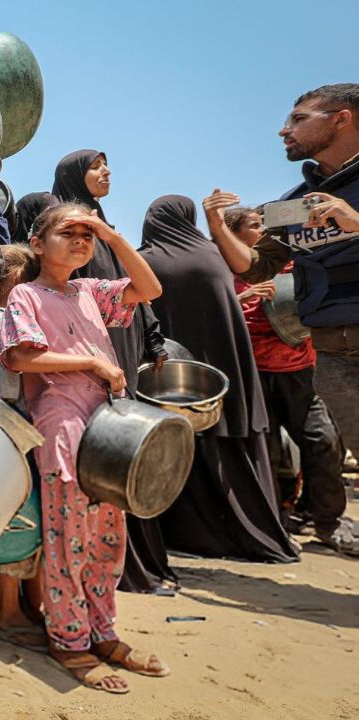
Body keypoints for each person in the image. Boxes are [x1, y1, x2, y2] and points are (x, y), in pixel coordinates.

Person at [0, 202, 168, 694]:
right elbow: (20, 358)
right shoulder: (26, 295)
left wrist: (112, 237)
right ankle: (70, 640)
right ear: (37, 243)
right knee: (68, 536)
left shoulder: (92, 291)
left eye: (86, 235)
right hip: (63, 421)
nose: (80, 241)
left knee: (107, 534)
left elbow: (150, 289)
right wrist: (91, 366)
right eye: (68, 232)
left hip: (107, 424)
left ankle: (104, 630)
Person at [205, 84, 359, 555]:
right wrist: (216, 226)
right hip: (333, 352)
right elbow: (255, 265)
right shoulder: (295, 202)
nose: (283, 130)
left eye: (297, 119)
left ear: (341, 119)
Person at [140, 196, 299, 563]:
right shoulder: (212, 255)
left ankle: (188, 536)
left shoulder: (146, 260)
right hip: (227, 376)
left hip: (173, 382)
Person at [50, 149, 174, 594]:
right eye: (96, 165)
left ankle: (125, 571)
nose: (107, 172)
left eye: (108, 164)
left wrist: (153, 336)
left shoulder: (101, 227)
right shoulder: (60, 224)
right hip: (76, 366)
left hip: (118, 345)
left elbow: (141, 292)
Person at [219, 206, 349, 551]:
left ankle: (326, 522)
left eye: (266, 225)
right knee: (269, 452)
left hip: (300, 371)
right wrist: (243, 297)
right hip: (254, 375)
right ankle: (274, 522)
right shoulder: (224, 270)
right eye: (254, 226)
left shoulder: (291, 263)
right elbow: (213, 315)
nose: (264, 232)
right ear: (233, 234)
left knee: (322, 441)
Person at [0, 244, 47, 652]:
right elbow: (2, 388)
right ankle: (7, 611)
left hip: (11, 435)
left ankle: (25, 607)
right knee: (19, 523)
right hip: (10, 435)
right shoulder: (1, 319)